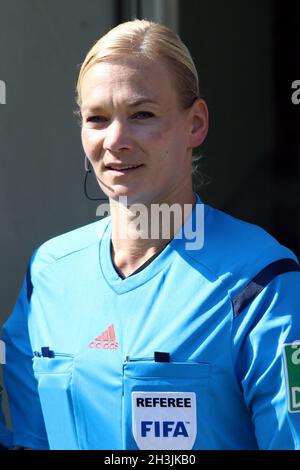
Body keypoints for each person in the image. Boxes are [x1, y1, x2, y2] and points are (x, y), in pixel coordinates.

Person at [2, 19, 300, 450]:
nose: (116, 140)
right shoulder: (49, 274)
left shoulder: (262, 280)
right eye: (97, 118)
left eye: (142, 114)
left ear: (195, 124)